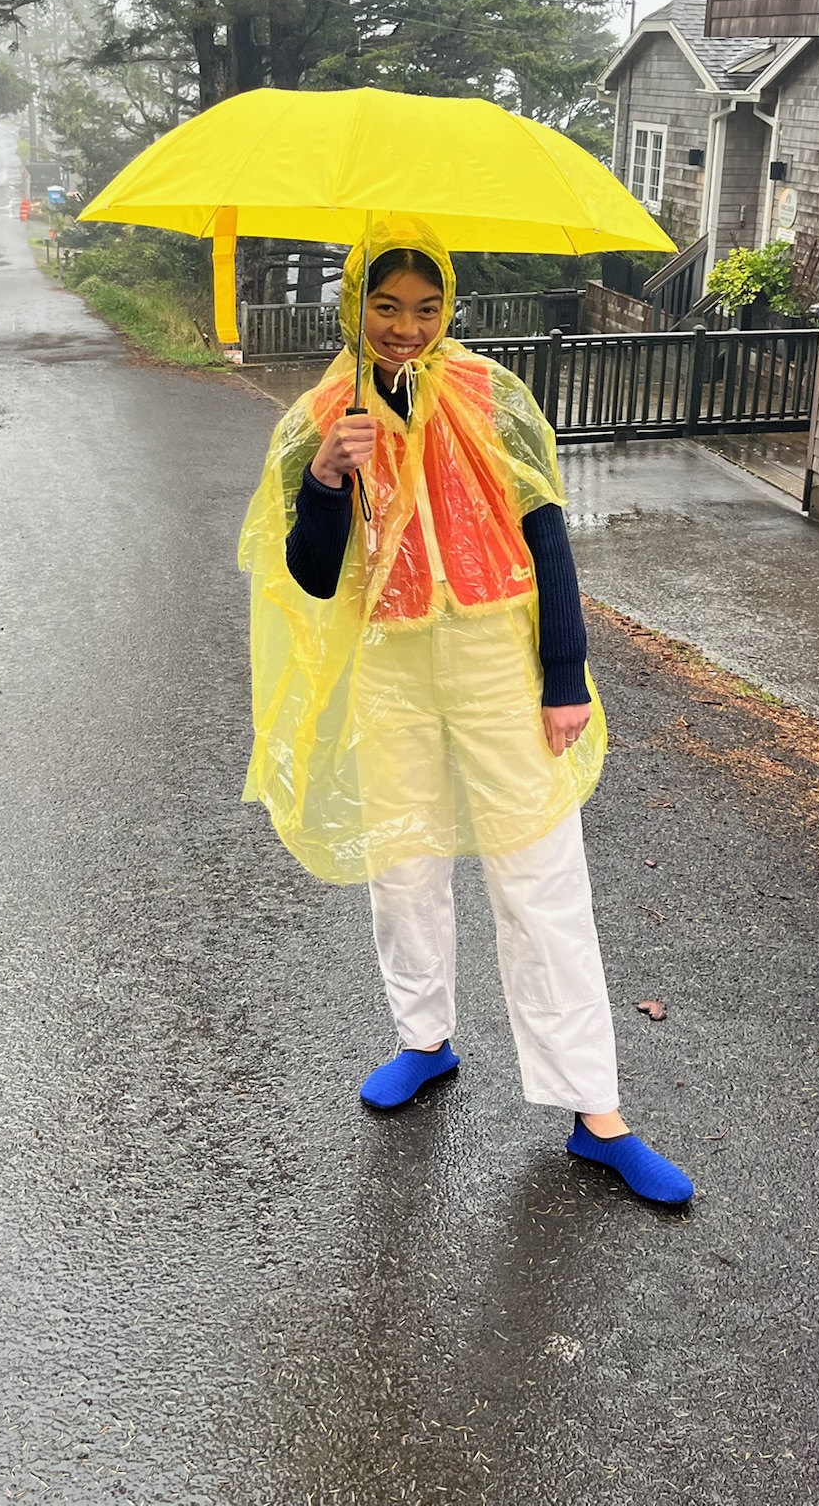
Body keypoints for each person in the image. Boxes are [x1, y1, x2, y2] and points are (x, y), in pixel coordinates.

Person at [239, 215, 693, 1207]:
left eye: (426, 305)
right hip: (392, 665)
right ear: (354, 307)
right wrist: (327, 476)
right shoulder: (321, 416)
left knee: (541, 877)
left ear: (449, 307)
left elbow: (547, 534)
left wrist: (564, 673)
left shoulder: (494, 396)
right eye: (386, 305)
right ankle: (424, 1038)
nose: (406, 325)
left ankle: (597, 1113)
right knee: (403, 864)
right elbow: (310, 573)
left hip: (497, 658)